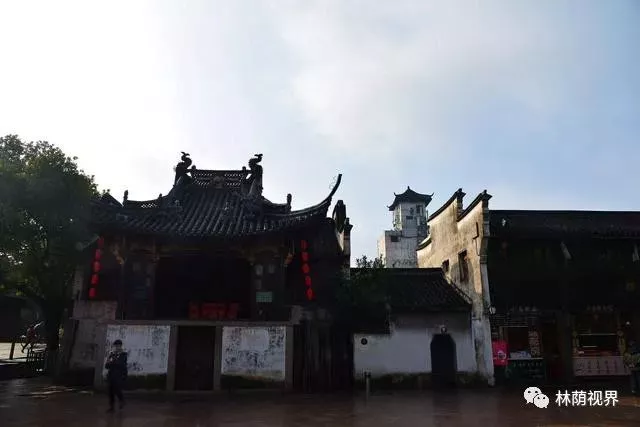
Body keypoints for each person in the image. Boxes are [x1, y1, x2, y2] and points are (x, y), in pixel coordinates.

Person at [104, 339, 128, 412]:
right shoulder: (112, 354)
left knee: (117, 389)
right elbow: (107, 365)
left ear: (121, 346)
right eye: (116, 346)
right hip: (111, 375)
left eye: (118, 346)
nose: (117, 347)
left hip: (119, 376)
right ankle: (112, 407)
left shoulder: (124, 355)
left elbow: (121, 364)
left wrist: (113, 362)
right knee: (110, 392)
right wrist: (111, 362)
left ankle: (122, 400)